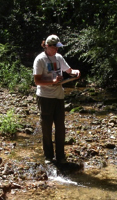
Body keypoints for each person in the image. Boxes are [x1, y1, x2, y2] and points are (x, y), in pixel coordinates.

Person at [33, 34, 81, 164]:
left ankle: (61, 156)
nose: (57, 50)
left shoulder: (59, 58)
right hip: (45, 97)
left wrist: (75, 72)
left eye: (58, 47)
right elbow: (37, 81)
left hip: (59, 96)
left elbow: (69, 70)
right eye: (54, 47)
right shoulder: (40, 59)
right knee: (47, 128)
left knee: (60, 127)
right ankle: (48, 156)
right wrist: (52, 81)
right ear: (47, 46)